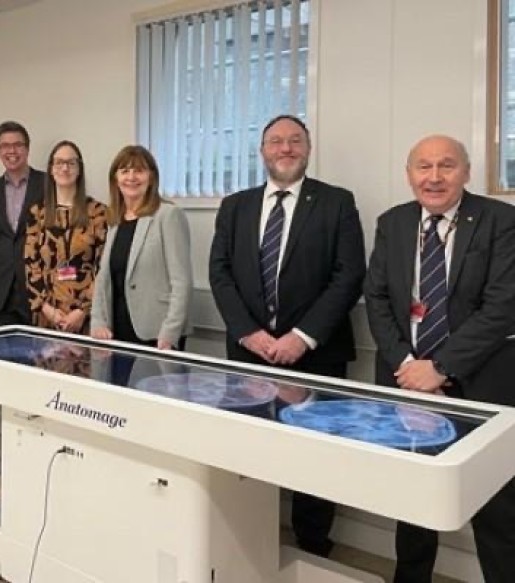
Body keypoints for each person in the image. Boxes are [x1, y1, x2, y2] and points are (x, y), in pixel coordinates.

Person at [208, 114, 366, 558]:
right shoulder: (235, 206)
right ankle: (245, 541)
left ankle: (312, 547)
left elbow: (349, 275)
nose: (285, 148)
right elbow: (219, 273)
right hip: (249, 355)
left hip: (316, 355)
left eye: (295, 140)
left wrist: (302, 336)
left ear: (308, 148)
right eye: (275, 141)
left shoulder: (337, 203)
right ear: (262, 151)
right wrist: (249, 333)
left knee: (314, 460)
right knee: (247, 452)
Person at [364, 135, 515, 583]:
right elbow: (377, 298)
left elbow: (503, 305)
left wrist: (441, 367)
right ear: (409, 174)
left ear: (466, 171)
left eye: (446, 166)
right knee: (413, 498)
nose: (434, 177)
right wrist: (408, 367)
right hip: (406, 381)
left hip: (482, 382)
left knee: (498, 509)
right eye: (423, 166)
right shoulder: (393, 222)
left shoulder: (501, 221)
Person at [90, 145, 192, 350]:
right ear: (115, 178)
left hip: (158, 333)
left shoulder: (168, 215)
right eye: (125, 171)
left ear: (151, 177)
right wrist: (98, 321)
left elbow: (181, 282)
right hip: (116, 330)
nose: (131, 177)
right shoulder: (115, 220)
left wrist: (170, 332)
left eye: (139, 170)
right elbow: (103, 278)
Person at [24, 140, 108, 334]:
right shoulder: (37, 213)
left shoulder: (98, 213)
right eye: (59, 162)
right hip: (47, 315)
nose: (65, 168)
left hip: (87, 318)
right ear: (51, 169)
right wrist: (48, 310)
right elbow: (31, 265)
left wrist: (82, 310)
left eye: (71, 163)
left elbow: (103, 268)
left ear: (79, 169)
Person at [0, 121, 45, 326]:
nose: (12, 151)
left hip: (38, 290)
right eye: (5, 146)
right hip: (2, 291)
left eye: (18, 145)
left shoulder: (47, 184)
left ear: (27, 148)